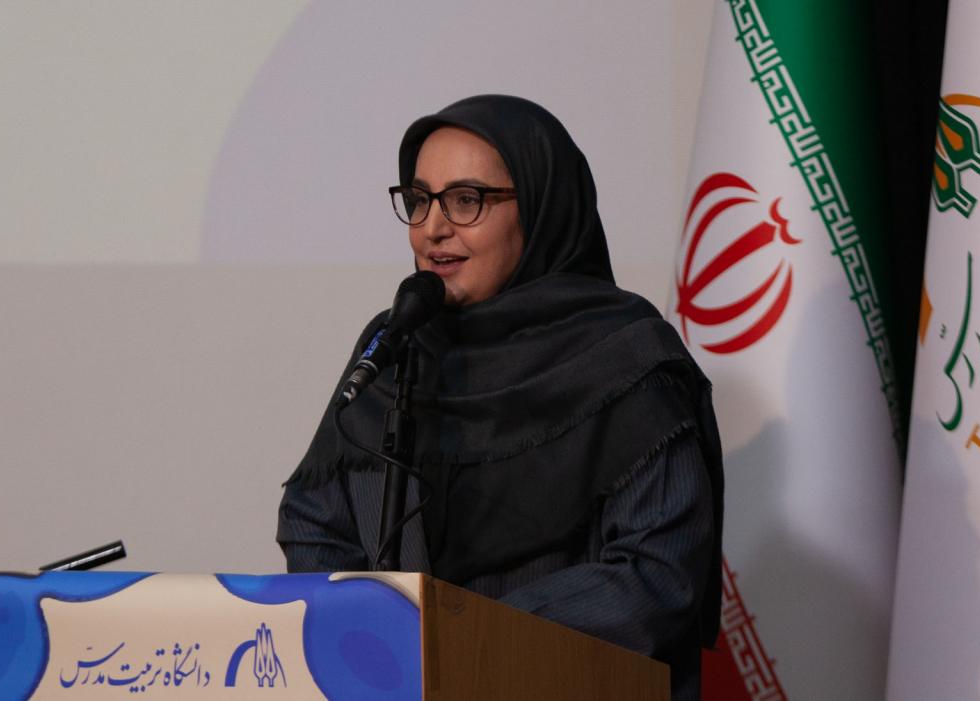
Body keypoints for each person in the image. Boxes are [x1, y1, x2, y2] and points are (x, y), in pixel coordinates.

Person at [277, 94, 723, 700]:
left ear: (538, 210)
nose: (432, 228)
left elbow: (656, 575)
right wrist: (366, 637)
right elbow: (314, 517)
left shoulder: (626, 359)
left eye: (466, 200)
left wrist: (466, 637)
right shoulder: (400, 342)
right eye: (419, 200)